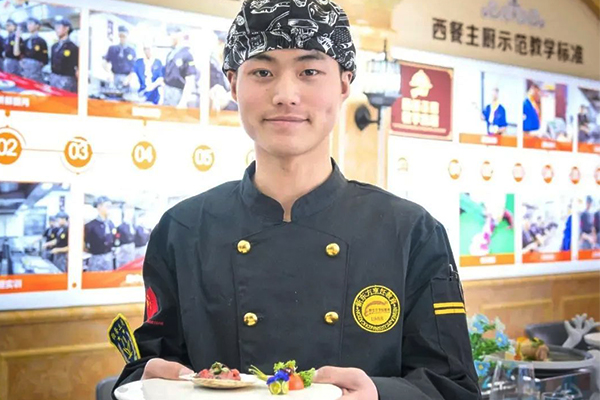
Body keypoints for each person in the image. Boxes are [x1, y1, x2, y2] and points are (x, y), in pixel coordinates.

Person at [114, 1, 480, 399]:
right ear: (233, 84)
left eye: (309, 72)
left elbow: (453, 387)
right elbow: (148, 367)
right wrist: (145, 378)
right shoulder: (181, 230)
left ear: (344, 84)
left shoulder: (410, 232)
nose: (285, 95)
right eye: (262, 72)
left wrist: (379, 393)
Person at [163, 25, 198, 108]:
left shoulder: (186, 55)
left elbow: (190, 80)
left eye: (170, 34)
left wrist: (183, 102)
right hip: (167, 92)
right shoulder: (170, 54)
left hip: (178, 93)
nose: (168, 37)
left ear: (177, 35)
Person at [85, 196, 116, 272]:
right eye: (107, 206)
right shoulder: (90, 225)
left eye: (110, 206)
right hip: (96, 258)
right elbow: (83, 243)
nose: (109, 208)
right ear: (99, 207)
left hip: (109, 257)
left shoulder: (111, 224)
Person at [49, 16, 78, 93]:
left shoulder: (73, 48)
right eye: (55, 27)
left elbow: (77, 68)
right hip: (54, 79)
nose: (56, 30)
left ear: (66, 28)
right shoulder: (54, 46)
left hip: (67, 81)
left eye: (59, 27)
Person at [103, 26, 136, 92]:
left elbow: (134, 68)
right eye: (120, 36)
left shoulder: (131, 51)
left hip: (126, 78)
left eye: (124, 36)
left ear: (127, 37)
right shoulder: (112, 49)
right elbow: (105, 63)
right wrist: (109, 73)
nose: (122, 38)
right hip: (114, 76)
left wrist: (129, 78)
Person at [15, 17, 48, 83]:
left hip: (36, 73)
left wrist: (35, 66)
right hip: (25, 71)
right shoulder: (26, 41)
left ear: (37, 26)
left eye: (30, 23)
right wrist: (17, 38)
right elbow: (16, 53)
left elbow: (45, 60)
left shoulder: (41, 41)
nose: (28, 26)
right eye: (27, 24)